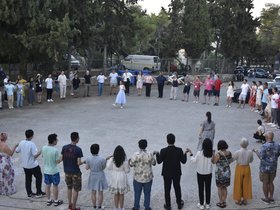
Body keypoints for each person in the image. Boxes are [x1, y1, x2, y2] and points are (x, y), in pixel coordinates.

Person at [155, 133, 186, 210]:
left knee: (167, 189)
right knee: (177, 187)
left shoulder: (163, 150)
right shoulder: (179, 150)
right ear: (174, 141)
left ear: (167, 141)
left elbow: (159, 161)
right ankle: (179, 203)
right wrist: (185, 153)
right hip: (176, 173)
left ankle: (168, 205)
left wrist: (157, 154)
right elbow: (183, 161)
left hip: (166, 173)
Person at [15, 129, 45, 197]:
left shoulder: (21, 142)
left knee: (28, 179)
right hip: (33, 165)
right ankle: (39, 192)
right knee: (38, 177)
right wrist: (41, 151)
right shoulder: (32, 144)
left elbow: (17, 151)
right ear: (32, 136)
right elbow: (35, 155)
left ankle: (29, 193)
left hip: (25, 165)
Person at [253, 132, 280, 204]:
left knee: (265, 183)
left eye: (265, 137)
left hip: (264, 168)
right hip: (273, 167)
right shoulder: (278, 145)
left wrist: (256, 151)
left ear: (268, 138)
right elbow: (278, 154)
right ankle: (271, 197)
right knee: (271, 182)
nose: (265, 137)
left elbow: (261, 157)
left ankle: (266, 198)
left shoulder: (264, 146)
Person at [129, 139, 156, 210]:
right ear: (146, 145)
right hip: (148, 178)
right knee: (147, 193)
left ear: (139, 146)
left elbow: (131, 164)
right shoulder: (150, 154)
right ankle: (147, 207)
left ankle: (136, 207)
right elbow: (154, 163)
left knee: (137, 193)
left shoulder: (135, 154)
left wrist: (129, 161)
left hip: (137, 177)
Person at [61, 132, 85, 210]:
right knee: (76, 189)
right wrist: (83, 162)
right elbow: (78, 163)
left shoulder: (64, 147)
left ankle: (69, 204)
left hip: (67, 171)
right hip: (75, 172)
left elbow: (61, 158)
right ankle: (74, 207)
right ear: (77, 139)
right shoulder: (78, 149)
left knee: (69, 188)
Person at [188, 138, 214, 210]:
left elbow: (193, 161)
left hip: (200, 173)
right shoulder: (212, 153)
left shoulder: (199, 153)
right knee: (208, 188)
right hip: (208, 173)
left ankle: (201, 204)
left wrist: (191, 154)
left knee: (201, 188)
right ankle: (208, 204)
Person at [41, 134, 63, 206]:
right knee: (55, 186)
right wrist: (62, 158)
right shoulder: (55, 150)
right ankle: (56, 201)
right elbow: (57, 161)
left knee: (47, 185)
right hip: (54, 171)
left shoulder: (43, 148)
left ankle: (48, 200)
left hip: (46, 171)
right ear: (54, 141)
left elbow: (43, 156)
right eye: (56, 139)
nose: (57, 140)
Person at [107, 145, 130, 210]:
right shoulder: (124, 159)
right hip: (122, 176)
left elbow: (108, 167)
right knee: (121, 194)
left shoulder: (112, 159)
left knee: (116, 194)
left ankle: (116, 207)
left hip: (114, 176)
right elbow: (127, 170)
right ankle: (122, 208)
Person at [86, 144, 108, 210]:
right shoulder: (102, 159)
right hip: (100, 175)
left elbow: (87, 168)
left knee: (93, 192)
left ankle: (94, 207)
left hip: (92, 175)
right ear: (98, 150)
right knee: (100, 192)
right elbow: (103, 167)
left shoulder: (88, 158)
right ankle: (99, 207)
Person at [232, 138, 253, 205]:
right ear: (247, 144)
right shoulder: (250, 152)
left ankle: (238, 199)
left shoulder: (237, 152)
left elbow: (233, 158)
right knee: (246, 183)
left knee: (238, 183)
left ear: (240, 144)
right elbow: (251, 160)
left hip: (239, 167)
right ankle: (245, 199)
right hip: (246, 167)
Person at [212, 140, 233, 208]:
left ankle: (221, 202)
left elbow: (214, 162)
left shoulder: (218, 154)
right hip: (227, 173)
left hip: (219, 174)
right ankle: (224, 201)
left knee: (220, 187)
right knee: (225, 187)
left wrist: (213, 154)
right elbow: (230, 162)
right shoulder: (229, 153)